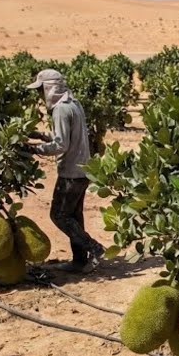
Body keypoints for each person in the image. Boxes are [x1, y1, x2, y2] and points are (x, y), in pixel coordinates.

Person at [27, 69, 105, 273]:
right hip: (83, 171)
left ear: (50, 88)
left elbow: (60, 144)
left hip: (70, 173)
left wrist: (33, 149)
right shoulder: (73, 103)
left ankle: (94, 248)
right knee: (74, 216)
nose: (40, 95)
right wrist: (40, 135)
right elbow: (63, 136)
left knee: (59, 215)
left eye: (41, 90)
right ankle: (79, 261)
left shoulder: (61, 110)